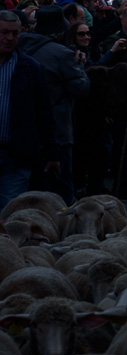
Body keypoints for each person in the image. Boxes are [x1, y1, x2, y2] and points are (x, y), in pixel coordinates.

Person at [18, 5, 89, 202]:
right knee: (61, 195)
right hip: (56, 131)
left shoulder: (19, 46)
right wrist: (80, 67)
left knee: (28, 194)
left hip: (25, 132)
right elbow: (81, 90)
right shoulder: (61, 54)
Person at [0, 11, 57, 209]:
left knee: (9, 213)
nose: (9, 38)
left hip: (16, 154)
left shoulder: (30, 68)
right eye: (4, 33)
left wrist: (51, 151)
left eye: (14, 33)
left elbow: (43, 111)